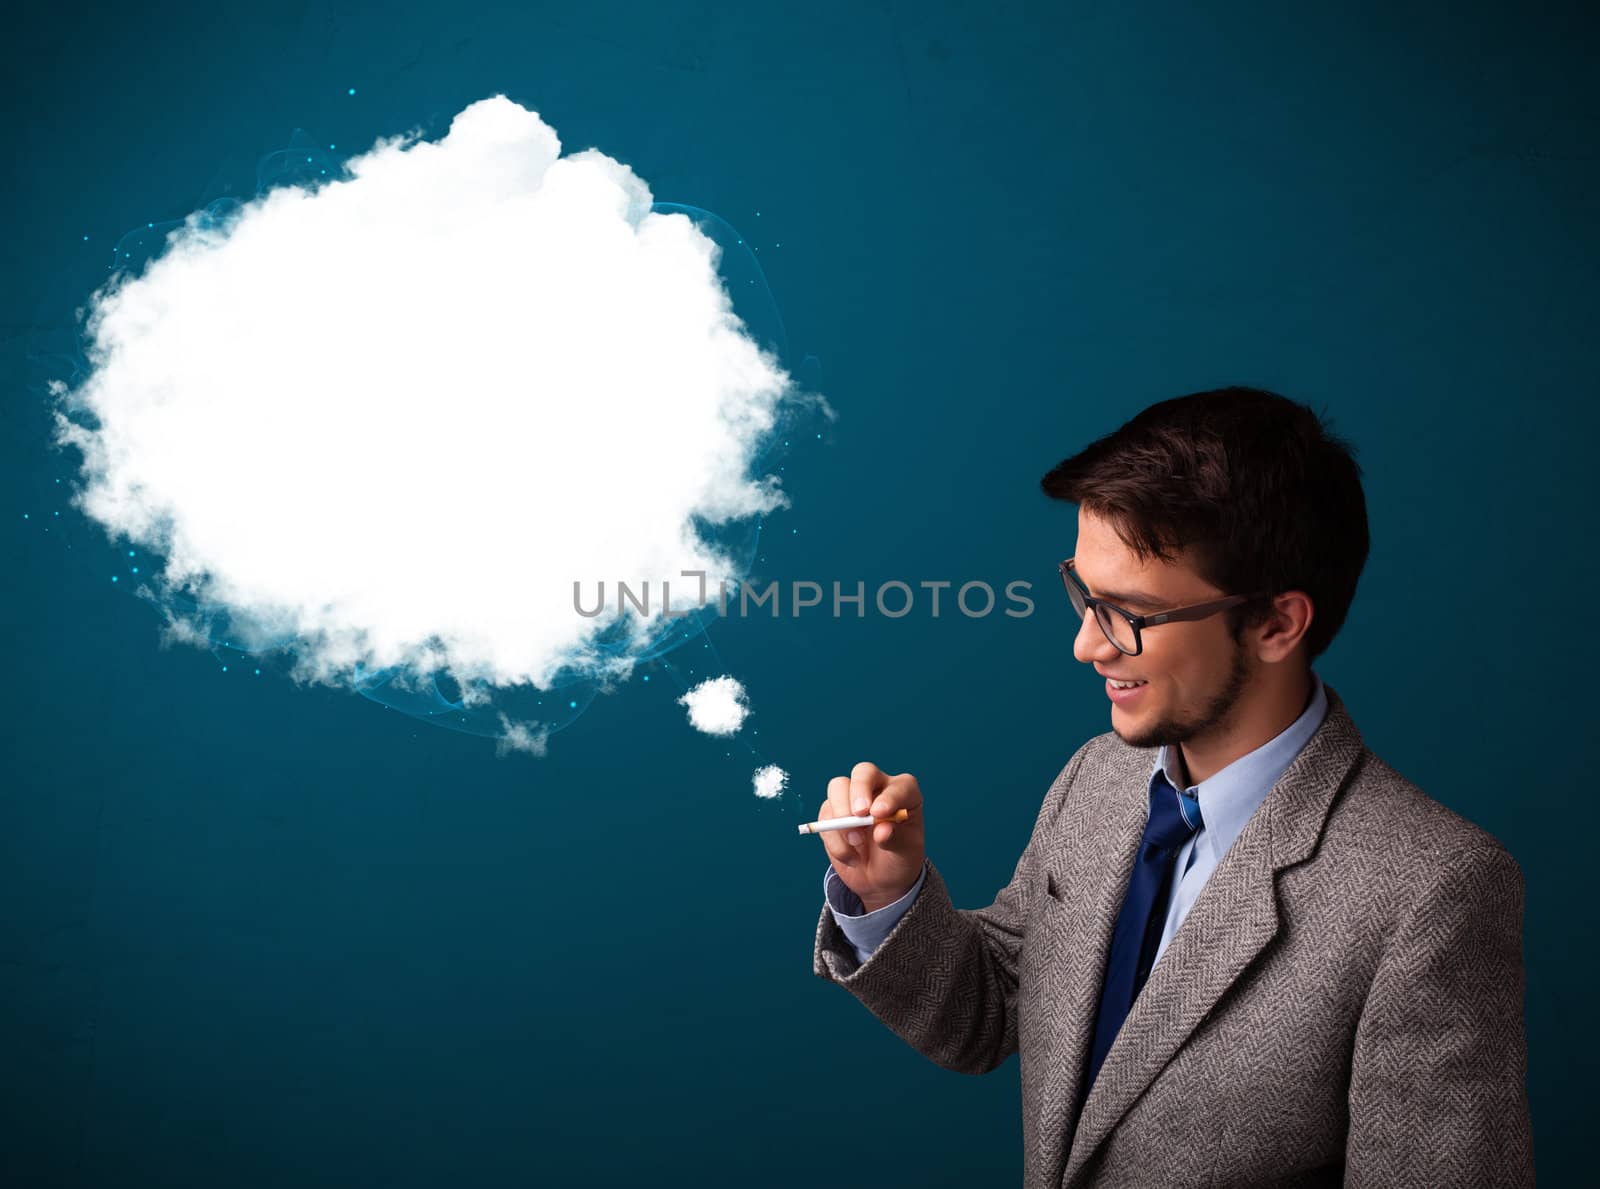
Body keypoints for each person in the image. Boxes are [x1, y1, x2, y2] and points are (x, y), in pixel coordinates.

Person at [810, 387, 1533, 1188]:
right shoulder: (1097, 778)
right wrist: (889, 893)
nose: (1087, 644)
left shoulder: (1432, 891)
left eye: (1129, 613)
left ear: (1276, 624)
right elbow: (994, 1013)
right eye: (1084, 594)